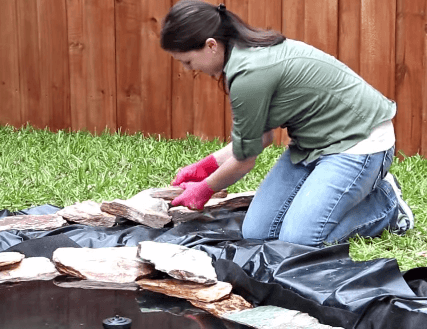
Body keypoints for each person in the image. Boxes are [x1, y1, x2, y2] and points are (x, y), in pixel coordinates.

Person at [161, 0, 414, 246]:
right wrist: (205, 166)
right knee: (257, 233)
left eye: (188, 61)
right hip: (311, 145)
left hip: (358, 142)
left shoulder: (249, 73)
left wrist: (204, 189)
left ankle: (386, 202)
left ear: (211, 45)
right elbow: (261, 138)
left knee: (298, 241)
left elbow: (244, 160)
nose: (190, 69)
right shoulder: (240, 54)